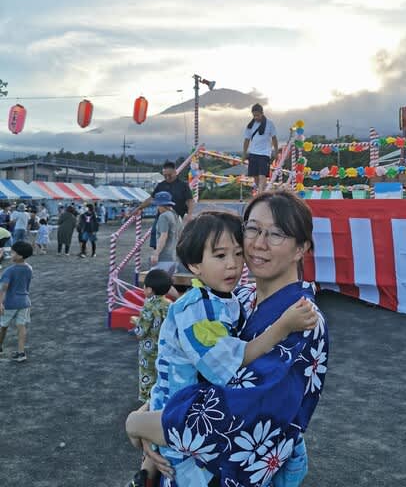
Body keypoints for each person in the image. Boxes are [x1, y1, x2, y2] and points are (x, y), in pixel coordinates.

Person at [125, 205, 322, 487]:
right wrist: (147, 417)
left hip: (195, 438)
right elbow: (220, 365)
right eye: (253, 229)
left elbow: (233, 415)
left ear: (301, 247)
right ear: (195, 265)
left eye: (276, 233)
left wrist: (143, 424)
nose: (259, 243)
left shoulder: (303, 319)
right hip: (176, 420)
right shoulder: (230, 300)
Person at [128, 268, 173, 487]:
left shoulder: (148, 306)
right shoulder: (170, 305)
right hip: (164, 353)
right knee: (160, 385)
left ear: (149, 289)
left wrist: (135, 321)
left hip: (148, 354)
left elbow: (140, 332)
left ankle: (147, 418)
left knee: (148, 387)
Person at [0, 240, 34, 362]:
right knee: (21, 327)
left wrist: (0, 303)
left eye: (13, 252)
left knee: (3, 326)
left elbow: (4, 289)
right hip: (24, 302)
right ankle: (21, 353)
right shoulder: (29, 268)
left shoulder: (9, 271)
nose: (10, 254)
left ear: (19, 256)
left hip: (10, 303)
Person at [242, 103, 279, 193]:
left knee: (262, 175)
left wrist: (276, 152)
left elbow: (274, 138)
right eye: (254, 115)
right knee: (255, 177)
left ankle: (260, 194)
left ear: (262, 113)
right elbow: (246, 140)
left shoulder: (270, 124)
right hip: (253, 153)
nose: (256, 117)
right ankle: (263, 192)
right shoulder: (250, 126)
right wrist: (244, 153)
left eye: (257, 115)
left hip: (265, 154)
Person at [150, 192, 183, 270]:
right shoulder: (176, 215)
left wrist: (156, 254)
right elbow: (180, 235)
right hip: (174, 254)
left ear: (161, 205)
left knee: (159, 276)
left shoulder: (163, 216)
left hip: (164, 254)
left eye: (158, 205)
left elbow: (163, 236)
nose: (157, 208)